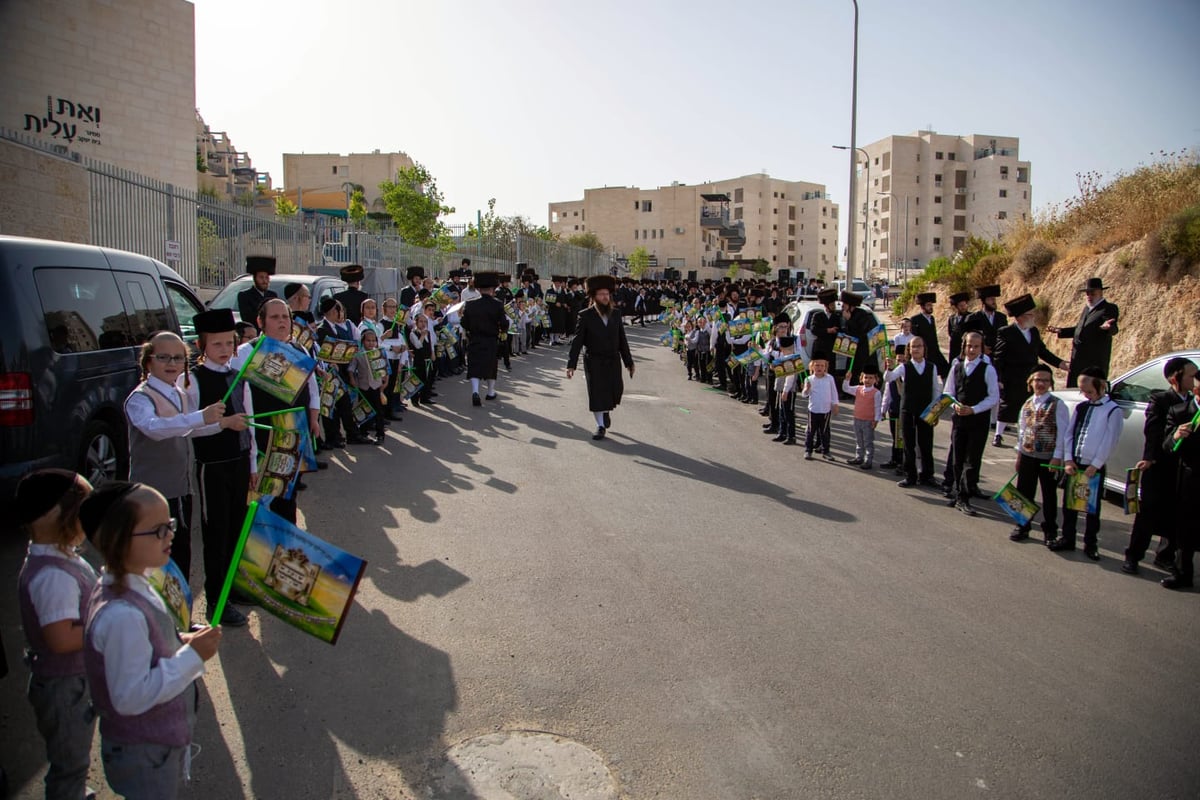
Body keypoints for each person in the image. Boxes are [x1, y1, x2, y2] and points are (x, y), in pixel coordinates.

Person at [80, 482, 223, 800]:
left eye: (170, 525)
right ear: (118, 539)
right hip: (144, 752)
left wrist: (180, 640)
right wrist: (191, 657)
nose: (171, 535)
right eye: (159, 530)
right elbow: (130, 696)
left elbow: (146, 645)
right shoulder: (121, 615)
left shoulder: (135, 582)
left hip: (154, 745)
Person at [16, 469, 98, 800]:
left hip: (74, 682)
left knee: (74, 755)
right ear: (62, 516)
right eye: (86, 509)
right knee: (68, 764)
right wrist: (105, 622)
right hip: (64, 689)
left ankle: (74, 789)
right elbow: (61, 638)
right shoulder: (52, 575)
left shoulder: (59, 557)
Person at [124, 332, 230, 581]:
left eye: (178, 358)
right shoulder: (140, 398)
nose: (172, 364)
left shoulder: (178, 393)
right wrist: (202, 416)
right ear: (148, 361)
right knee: (154, 562)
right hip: (152, 493)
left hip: (181, 489)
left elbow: (188, 428)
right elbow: (155, 428)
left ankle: (180, 617)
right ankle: (158, 618)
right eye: (163, 357)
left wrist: (224, 424)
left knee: (180, 554)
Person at [180, 309, 253, 628]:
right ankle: (214, 602)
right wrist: (222, 424)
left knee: (238, 529)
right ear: (201, 345)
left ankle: (232, 589)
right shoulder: (193, 381)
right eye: (217, 344)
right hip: (212, 467)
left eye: (229, 343)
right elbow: (188, 428)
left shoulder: (239, 377)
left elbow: (247, 425)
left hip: (239, 464)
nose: (225, 350)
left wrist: (252, 463)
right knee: (217, 534)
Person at [234, 299, 321, 525]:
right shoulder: (245, 352)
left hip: (292, 434)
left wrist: (314, 418)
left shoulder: (298, 349)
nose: (282, 321)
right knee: (260, 499)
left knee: (287, 497)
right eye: (275, 317)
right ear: (260, 321)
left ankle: (284, 538)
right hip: (262, 436)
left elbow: (311, 388)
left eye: (285, 317)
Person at [1122, 357, 1196, 574]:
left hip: (1182, 467)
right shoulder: (1161, 399)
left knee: (1175, 513)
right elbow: (1152, 431)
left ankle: (1165, 555)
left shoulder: (1194, 401)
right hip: (1159, 464)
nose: (1195, 379)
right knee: (1147, 513)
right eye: (1192, 375)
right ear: (1175, 377)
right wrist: (1150, 458)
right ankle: (1133, 556)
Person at [1049, 366, 1123, 559]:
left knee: (1091, 508)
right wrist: (1068, 459)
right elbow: (1069, 434)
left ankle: (1091, 543)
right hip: (1075, 463)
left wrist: (1096, 464)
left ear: (1101, 386)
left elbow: (1110, 440)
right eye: (1083, 391)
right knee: (1070, 505)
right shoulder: (1082, 407)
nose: (1086, 394)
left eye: (1089, 391)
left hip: (1093, 467)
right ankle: (1067, 538)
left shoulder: (1112, 410)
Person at [566, 274, 635, 441]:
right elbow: (577, 341)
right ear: (594, 297)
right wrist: (571, 364)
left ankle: (605, 412)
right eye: (601, 294)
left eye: (607, 294)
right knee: (597, 393)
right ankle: (600, 425)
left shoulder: (616, 314)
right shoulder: (585, 315)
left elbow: (622, 339)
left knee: (614, 391)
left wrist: (629, 362)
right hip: (594, 360)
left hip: (612, 359)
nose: (605, 297)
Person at [992, 293, 1066, 446]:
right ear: (1020, 317)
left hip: (1030, 376)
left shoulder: (1033, 332)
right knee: (1008, 405)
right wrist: (998, 378)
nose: (1033, 317)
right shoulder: (1006, 332)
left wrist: (1060, 363)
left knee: (1028, 407)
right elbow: (998, 357)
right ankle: (998, 434)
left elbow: (1042, 351)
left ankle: (1024, 436)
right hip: (1012, 376)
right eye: (1030, 315)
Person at [1009, 365, 1070, 542]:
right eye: (1037, 380)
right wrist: (1019, 454)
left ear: (1050, 383)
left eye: (1045, 380)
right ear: (1031, 382)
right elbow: (1021, 431)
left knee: (1049, 495)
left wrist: (1057, 457)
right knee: (1024, 492)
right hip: (1028, 455)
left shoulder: (1058, 405)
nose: (1041, 383)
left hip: (1048, 458)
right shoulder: (1027, 403)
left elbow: (1063, 433)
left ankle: (1050, 530)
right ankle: (1022, 526)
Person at [943, 332, 1001, 516]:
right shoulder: (957, 367)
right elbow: (948, 393)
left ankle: (965, 496)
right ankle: (959, 493)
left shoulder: (988, 369)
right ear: (964, 346)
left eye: (976, 346)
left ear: (981, 347)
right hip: (960, 420)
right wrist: (956, 406)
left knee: (971, 459)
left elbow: (993, 397)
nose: (972, 349)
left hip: (978, 420)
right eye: (969, 346)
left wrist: (974, 409)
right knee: (957, 458)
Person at [1161, 371, 1200, 589]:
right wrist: (1176, 436)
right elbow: (1166, 446)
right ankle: (1183, 572)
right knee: (1186, 529)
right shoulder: (1180, 412)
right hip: (1191, 478)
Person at [889, 336, 944, 488]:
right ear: (909, 350)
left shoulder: (931, 367)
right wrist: (889, 367)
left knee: (926, 444)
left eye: (919, 346)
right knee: (909, 444)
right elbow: (889, 378)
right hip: (908, 409)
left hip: (926, 410)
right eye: (913, 347)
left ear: (924, 348)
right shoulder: (904, 367)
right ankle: (910, 475)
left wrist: (936, 412)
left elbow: (935, 389)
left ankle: (927, 475)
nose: (916, 349)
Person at [1048, 277, 1120, 388]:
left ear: (1100, 292)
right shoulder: (1087, 309)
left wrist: (1108, 327)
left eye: (1092, 293)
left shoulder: (1108, 308)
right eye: (1087, 293)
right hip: (1077, 363)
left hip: (1093, 365)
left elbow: (1112, 326)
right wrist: (1061, 331)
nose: (1089, 296)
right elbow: (1082, 330)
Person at [460, 271, 507, 406]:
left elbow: (464, 323)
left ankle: (475, 392)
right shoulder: (497, 304)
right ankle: (490, 392)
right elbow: (503, 323)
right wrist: (502, 330)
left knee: (474, 365)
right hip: (491, 340)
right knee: (491, 366)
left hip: (475, 338)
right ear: (492, 289)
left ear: (479, 289)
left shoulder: (470, 304)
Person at [349, 328, 387, 444]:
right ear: (363, 341)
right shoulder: (358, 355)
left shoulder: (379, 353)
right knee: (364, 410)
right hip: (363, 386)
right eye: (368, 341)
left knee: (378, 411)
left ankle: (380, 434)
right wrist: (352, 379)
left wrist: (384, 380)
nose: (371, 343)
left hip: (375, 386)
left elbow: (385, 367)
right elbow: (351, 368)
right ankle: (363, 433)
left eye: (373, 341)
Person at [842, 363, 883, 469]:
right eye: (865, 377)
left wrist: (876, 420)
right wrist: (847, 379)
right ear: (861, 378)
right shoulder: (858, 389)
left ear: (875, 379)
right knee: (859, 440)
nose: (868, 380)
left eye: (870, 378)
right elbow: (846, 388)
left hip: (868, 421)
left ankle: (868, 460)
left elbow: (878, 407)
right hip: (857, 419)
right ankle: (859, 457)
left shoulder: (876, 393)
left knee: (868, 441)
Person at [800, 356, 839, 461]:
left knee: (825, 432)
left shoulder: (829, 378)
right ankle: (808, 450)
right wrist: (807, 389)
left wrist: (835, 404)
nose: (819, 367)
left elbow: (834, 392)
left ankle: (826, 451)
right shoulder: (809, 379)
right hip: (813, 410)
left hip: (825, 410)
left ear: (825, 367)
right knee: (810, 431)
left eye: (822, 365)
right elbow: (804, 395)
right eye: (817, 365)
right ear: (812, 367)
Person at [879, 343, 906, 472]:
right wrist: (883, 410)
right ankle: (894, 459)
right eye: (898, 360)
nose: (900, 363)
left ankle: (903, 462)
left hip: (905, 411)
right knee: (895, 436)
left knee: (902, 438)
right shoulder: (892, 375)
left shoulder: (907, 374)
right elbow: (887, 394)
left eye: (903, 360)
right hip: (894, 409)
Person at [909, 292, 948, 377]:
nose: (931, 307)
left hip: (935, 350)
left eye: (931, 305)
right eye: (928, 305)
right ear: (923, 307)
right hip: (925, 353)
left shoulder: (932, 318)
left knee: (946, 369)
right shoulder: (915, 319)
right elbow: (915, 337)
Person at [963, 284, 1007, 357]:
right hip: (980, 355)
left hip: (999, 355)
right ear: (983, 302)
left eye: (994, 299)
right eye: (990, 299)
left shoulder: (1001, 317)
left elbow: (1004, 337)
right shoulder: (973, 318)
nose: (994, 302)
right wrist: (982, 348)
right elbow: (969, 338)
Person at [772, 335, 800, 445]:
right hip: (780, 388)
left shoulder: (792, 358)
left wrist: (786, 390)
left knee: (788, 413)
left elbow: (790, 377)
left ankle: (791, 435)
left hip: (788, 391)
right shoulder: (782, 356)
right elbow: (771, 354)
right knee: (781, 412)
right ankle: (782, 432)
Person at [236, 256, 277, 325]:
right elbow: (248, 319)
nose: (264, 281)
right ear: (255, 279)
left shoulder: (272, 295)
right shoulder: (245, 296)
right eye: (261, 277)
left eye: (267, 277)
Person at [809, 288, 840, 365]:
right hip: (820, 347)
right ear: (827, 305)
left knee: (830, 369)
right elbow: (813, 329)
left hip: (831, 348)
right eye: (832, 304)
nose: (834, 306)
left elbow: (840, 330)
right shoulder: (817, 315)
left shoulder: (836, 316)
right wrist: (828, 330)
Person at [946, 291, 972, 366]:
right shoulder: (952, 318)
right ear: (956, 307)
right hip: (954, 349)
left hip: (966, 348)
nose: (963, 307)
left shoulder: (972, 317)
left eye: (964, 305)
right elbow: (950, 333)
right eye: (961, 305)